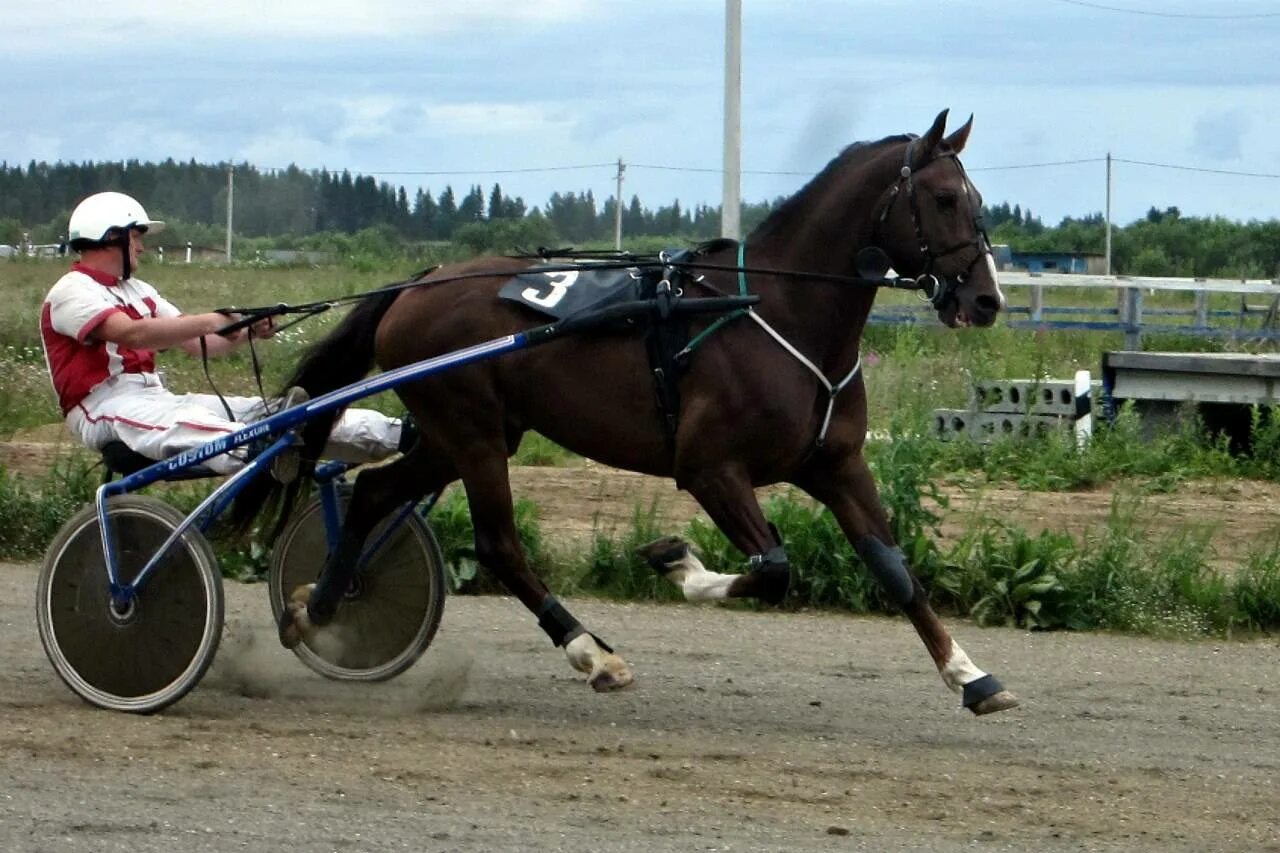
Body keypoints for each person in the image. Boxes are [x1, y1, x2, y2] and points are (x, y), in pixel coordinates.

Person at [40, 191, 402, 475]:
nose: (141, 245)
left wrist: (246, 330)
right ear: (110, 236)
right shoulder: (71, 291)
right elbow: (131, 334)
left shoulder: (140, 291)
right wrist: (210, 319)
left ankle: (392, 433)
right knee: (192, 424)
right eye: (136, 236)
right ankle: (262, 451)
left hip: (154, 397)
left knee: (273, 411)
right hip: (103, 408)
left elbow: (203, 345)